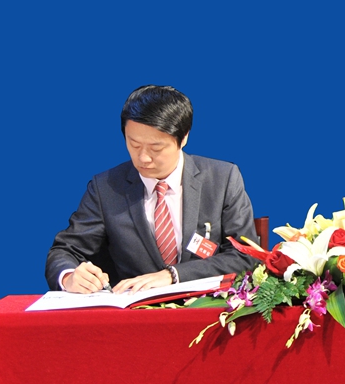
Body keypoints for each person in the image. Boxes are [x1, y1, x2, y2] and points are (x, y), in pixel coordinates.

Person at [46, 85, 259, 294]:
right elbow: (65, 250)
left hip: (207, 307)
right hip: (134, 310)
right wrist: (69, 276)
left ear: (184, 137)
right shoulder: (106, 188)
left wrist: (173, 275)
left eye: (156, 148)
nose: (143, 158)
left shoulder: (222, 179)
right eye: (134, 145)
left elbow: (246, 256)